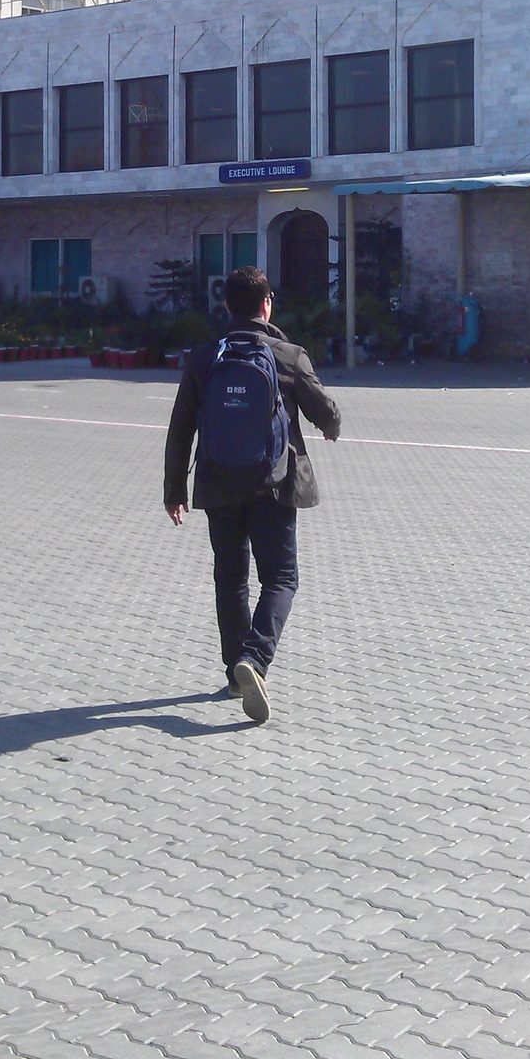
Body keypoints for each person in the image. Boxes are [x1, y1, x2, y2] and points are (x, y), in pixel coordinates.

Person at [164, 265, 341, 724]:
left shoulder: (204, 357)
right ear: (267, 303)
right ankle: (255, 660)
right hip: (274, 484)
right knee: (281, 578)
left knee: (230, 577)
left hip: (218, 482)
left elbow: (181, 426)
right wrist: (331, 428)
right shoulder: (288, 355)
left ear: (227, 306)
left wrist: (174, 489)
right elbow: (326, 411)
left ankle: (233, 669)